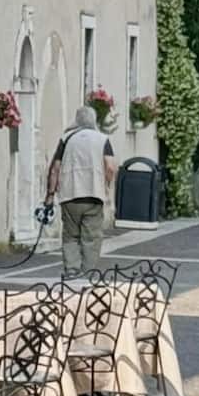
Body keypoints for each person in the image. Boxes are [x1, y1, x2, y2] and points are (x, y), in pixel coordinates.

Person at [47, 106, 118, 276]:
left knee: (71, 236)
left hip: (70, 195)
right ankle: (87, 273)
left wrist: (50, 195)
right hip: (94, 195)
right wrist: (106, 185)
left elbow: (55, 168)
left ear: (77, 120)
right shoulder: (103, 139)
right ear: (94, 121)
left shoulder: (66, 138)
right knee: (91, 238)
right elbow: (110, 166)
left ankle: (72, 270)